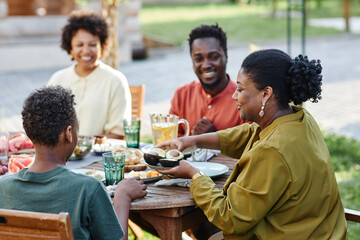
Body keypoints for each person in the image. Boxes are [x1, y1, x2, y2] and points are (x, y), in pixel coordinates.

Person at [158, 49, 347, 239]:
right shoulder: (300, 118)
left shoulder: (272, 150)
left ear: (266, 94)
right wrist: (193, 141)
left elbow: (230, 218)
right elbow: (249, 133)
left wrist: (193, 174)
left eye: (240, 89)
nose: (234, 96)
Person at [0, 86, 147, 240]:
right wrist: (122, 196)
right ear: (69, 133)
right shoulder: (88, 189)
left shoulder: (2, 188)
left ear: (29, 134)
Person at [48, 10, 131, 139]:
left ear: (102, 46)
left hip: (101, 156)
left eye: (92, 44)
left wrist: (84, 147)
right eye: (79, 45)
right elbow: (47, 125)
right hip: (61, 156)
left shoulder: (115, 80)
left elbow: (118, 133)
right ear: (70, 47)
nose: (86, 51)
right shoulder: (57, 79)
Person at [169, 24, 249, 136]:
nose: (206, 65)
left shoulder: (245, 99)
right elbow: (171, 139)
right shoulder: (182, 94)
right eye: (199, 59)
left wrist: (215, 139)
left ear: (226, 56)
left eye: (214, 57)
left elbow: (250, 149)